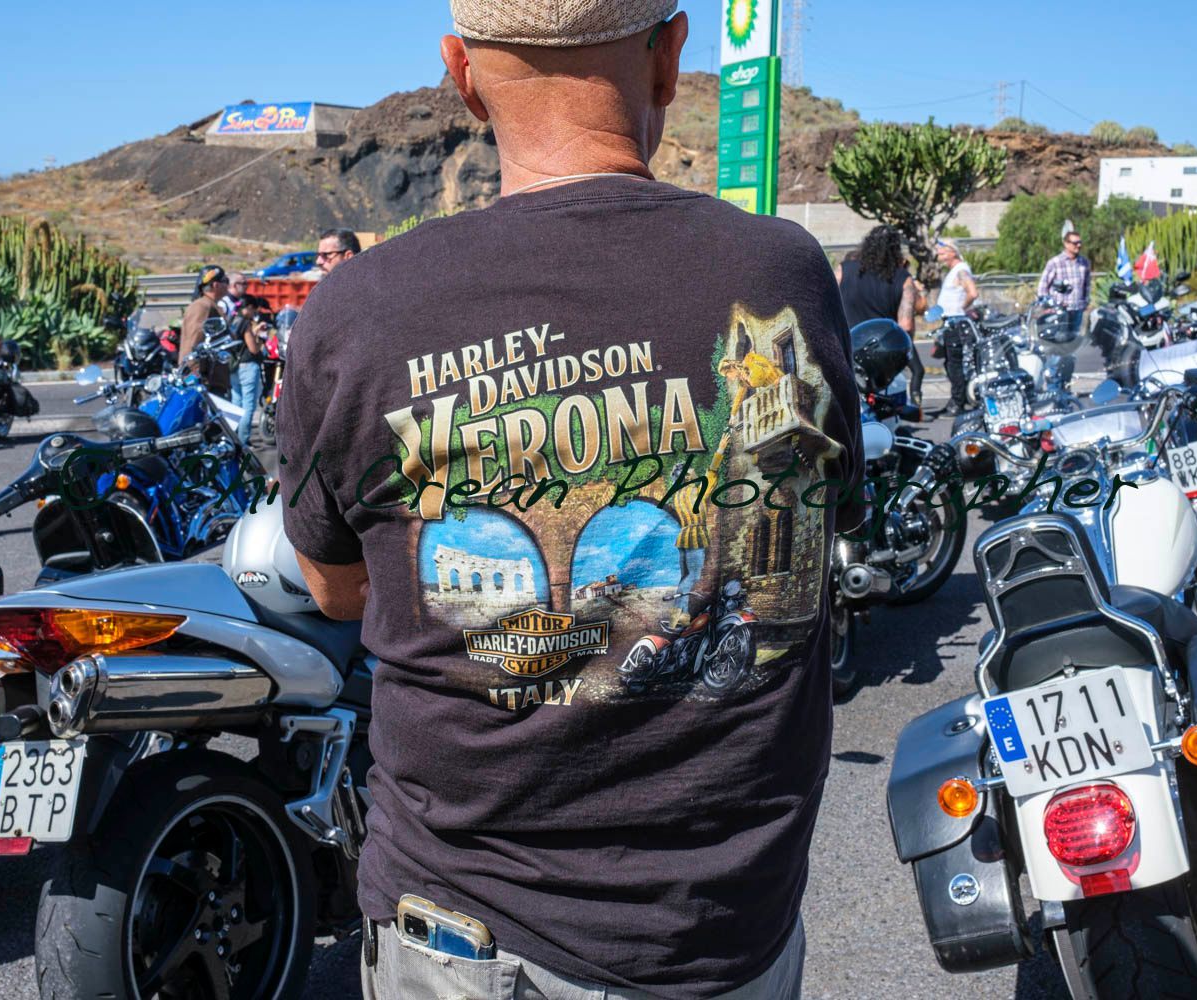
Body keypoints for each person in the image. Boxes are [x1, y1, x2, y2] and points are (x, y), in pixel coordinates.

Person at [276, 4, 863, 997]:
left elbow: (338, 592)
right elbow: (799, 551)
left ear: (462, 75)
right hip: (726, 935)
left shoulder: (357, 309)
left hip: (468, 935)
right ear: (671, 57)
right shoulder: (778, 276)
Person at [838, 224, 926, 409]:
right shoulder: (903, 279)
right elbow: (906, 326)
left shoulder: (843, 270)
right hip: (880, 357)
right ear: (896, 249)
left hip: (844, 350)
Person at [933, 238, 978, 413]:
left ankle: (957, 403)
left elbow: (972, 292)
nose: (939, 253)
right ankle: (958, 398)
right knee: (951, 363)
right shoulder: (955, 271)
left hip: (957, 323)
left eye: (943, 250)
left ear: (953, 251)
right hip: (951, 322)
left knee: (955, 363)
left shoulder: (961, 270)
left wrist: (962, 308)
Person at [178, 263, 232, 394]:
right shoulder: (202, 307)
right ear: (215, 285)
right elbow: (194, 342)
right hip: (204, 381)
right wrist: (195, 374)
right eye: (226, 281)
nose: (228, 285)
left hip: (213, 379)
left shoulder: (211, 305)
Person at [229, 294, 265, 445]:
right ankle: (243, 440)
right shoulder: (244, 323)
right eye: (254, 310)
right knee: (248, 405)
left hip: (233, 367)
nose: (254, 314)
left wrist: (254, 331)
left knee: (235, 403)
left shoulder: (231, 321)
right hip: (248, 366)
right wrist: (260, 343)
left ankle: (232, 438)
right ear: (248, 308)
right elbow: (253, 349)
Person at [1038, 230, 1093, 312]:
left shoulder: (1084, 263)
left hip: (1077, 310)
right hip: (1058, 310)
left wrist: (1085, 302)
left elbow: (1087, 286)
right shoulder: (1055, 262)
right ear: (1066, 244)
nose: (1079, 245)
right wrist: (1046, 306)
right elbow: (1043, 286)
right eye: (1075, 243)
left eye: (1080, 242)